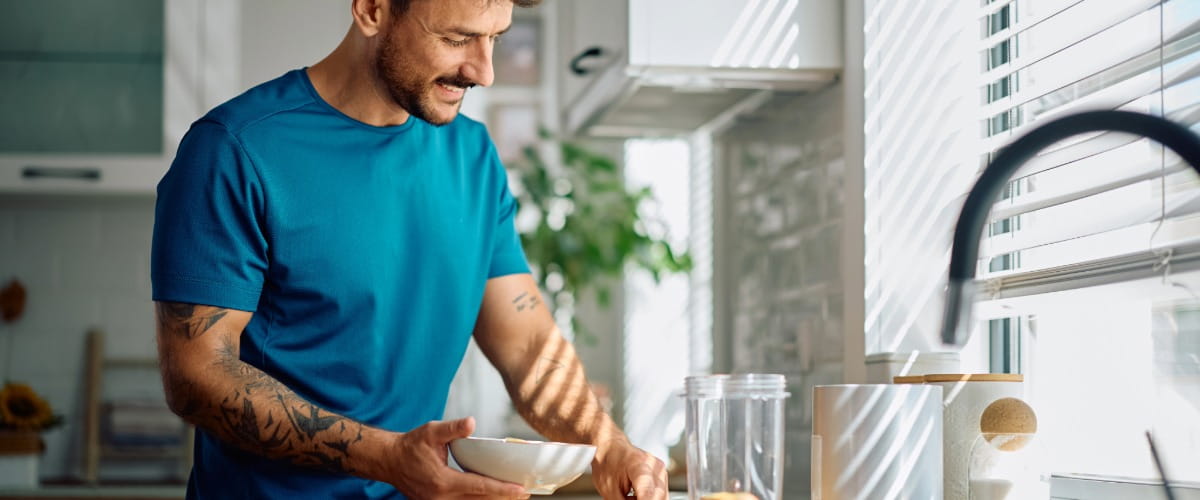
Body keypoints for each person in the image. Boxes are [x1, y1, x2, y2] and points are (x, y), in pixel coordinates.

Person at [149, 0, 669, 498]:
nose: (483, 71)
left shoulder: (473, 157)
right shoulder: (234, 149)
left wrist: (610, 447)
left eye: (494, 39)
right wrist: (387, 459)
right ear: (372, 9)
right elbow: (196, 372)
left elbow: (530, 349)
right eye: (456, 38)